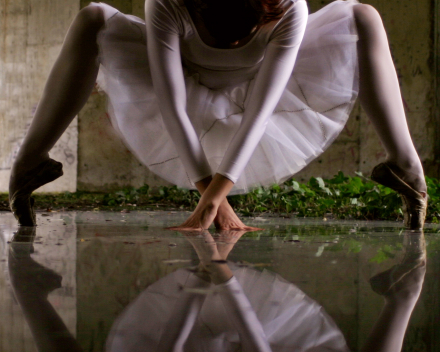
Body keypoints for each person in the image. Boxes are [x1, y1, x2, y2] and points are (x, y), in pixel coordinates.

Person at [8, 0, 428, 229]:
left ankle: (406, 169)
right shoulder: (167, 5)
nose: (232, 46)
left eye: (244, 36)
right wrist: (214, 201)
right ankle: (28, 163)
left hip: (260, 85)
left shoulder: (288, 8)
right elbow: (172, 107)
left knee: (363, 17)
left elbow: (260, 111)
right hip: (186, 85)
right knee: (92, 18)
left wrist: (214, 199)